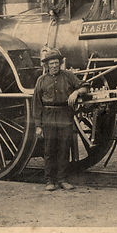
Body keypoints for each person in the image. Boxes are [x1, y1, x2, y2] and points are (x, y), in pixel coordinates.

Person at [33, 48, 88, 191]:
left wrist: (76, 92)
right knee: (49, 150)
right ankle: (49, 181)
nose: (54, 66)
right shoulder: (41, 81)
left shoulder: (68, 76)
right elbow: (37, 104)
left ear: (60, 63)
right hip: (48, 117)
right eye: (51, 63)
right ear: (47, 65)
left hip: (65, 116)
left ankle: (63, 179)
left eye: (56, 63)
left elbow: (85, 87)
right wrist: (38, 125)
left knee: (64, 149)